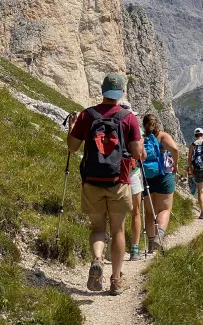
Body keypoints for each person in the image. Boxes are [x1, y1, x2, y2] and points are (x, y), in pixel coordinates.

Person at [67, 73, 145, 296]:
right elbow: (138, 153)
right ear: (121, 92)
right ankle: (116, 279)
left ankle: (98, 259)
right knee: (118, 229)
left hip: (91, 180)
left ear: (102, 90)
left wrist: (71, 128)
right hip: (118, 180)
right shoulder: (129, 117)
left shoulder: (86, 115)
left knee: (98, 228)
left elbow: (72, 147)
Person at [142, 114, 179, 253]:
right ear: (157, 123)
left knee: (149, 211)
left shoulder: (142, 137)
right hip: (164, 176)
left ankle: (151, 244)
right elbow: (175, 149)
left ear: (144, 124)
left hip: (147, 177)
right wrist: (176, 164)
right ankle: (160, 235)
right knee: (164, 209)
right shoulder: (163, 136)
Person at [119, 101, 144, 261]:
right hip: (132, 173)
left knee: (118, 214)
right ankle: (134, 249)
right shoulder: (135, 127)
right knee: (135, 212)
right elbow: (142, 155)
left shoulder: (110, 126)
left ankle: (116, 248)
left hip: (115, 173)